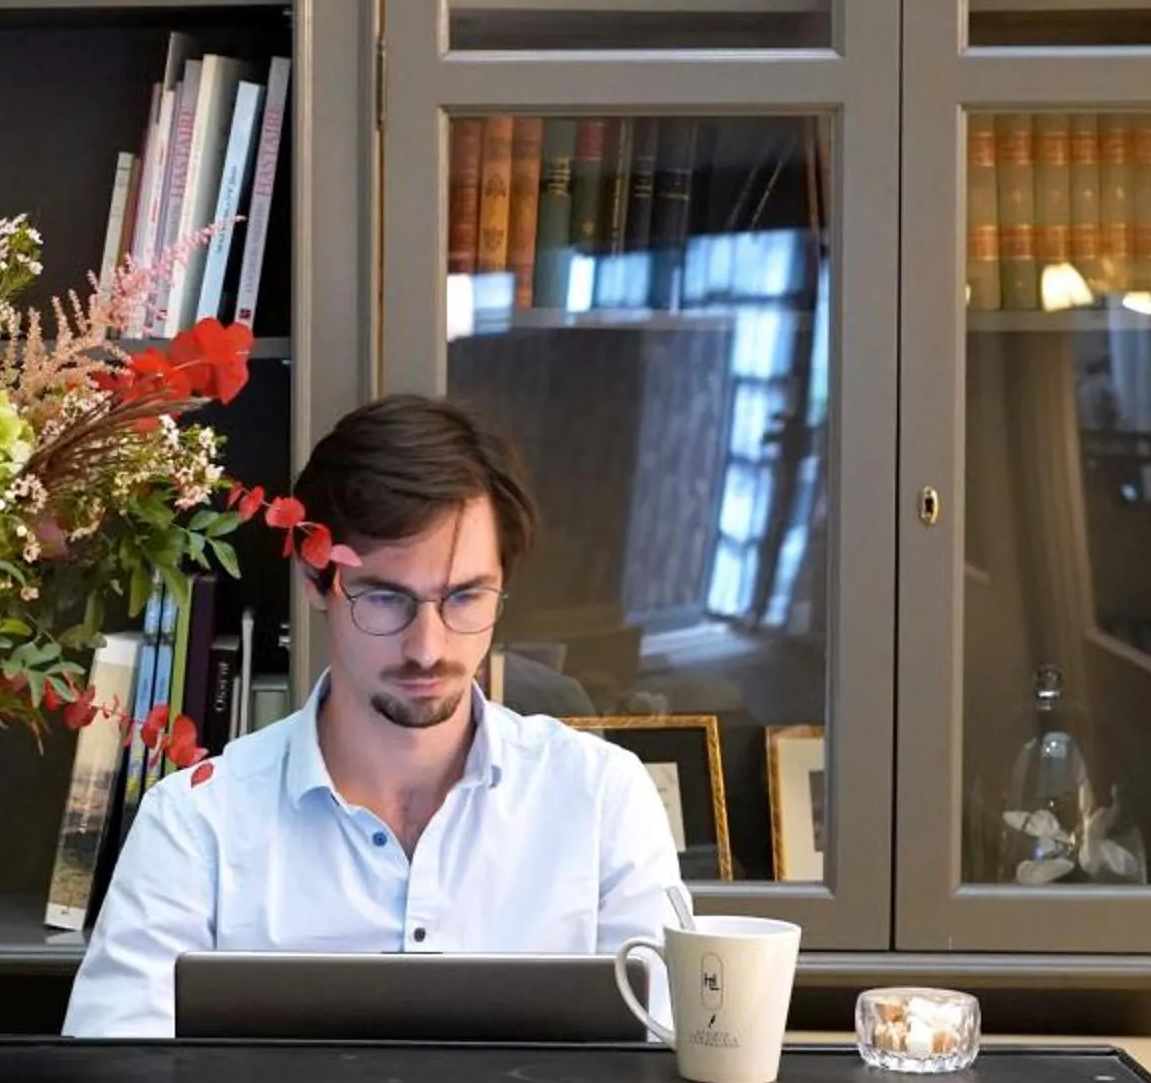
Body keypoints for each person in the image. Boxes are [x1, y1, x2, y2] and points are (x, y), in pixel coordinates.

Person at [61, 393, 684, 1038]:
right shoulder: (196, 826)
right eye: (386, 598)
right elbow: (121, 1080)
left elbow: (665, 1061)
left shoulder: (602, 802)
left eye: (465, 597)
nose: (427, 648)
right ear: (314, 580)